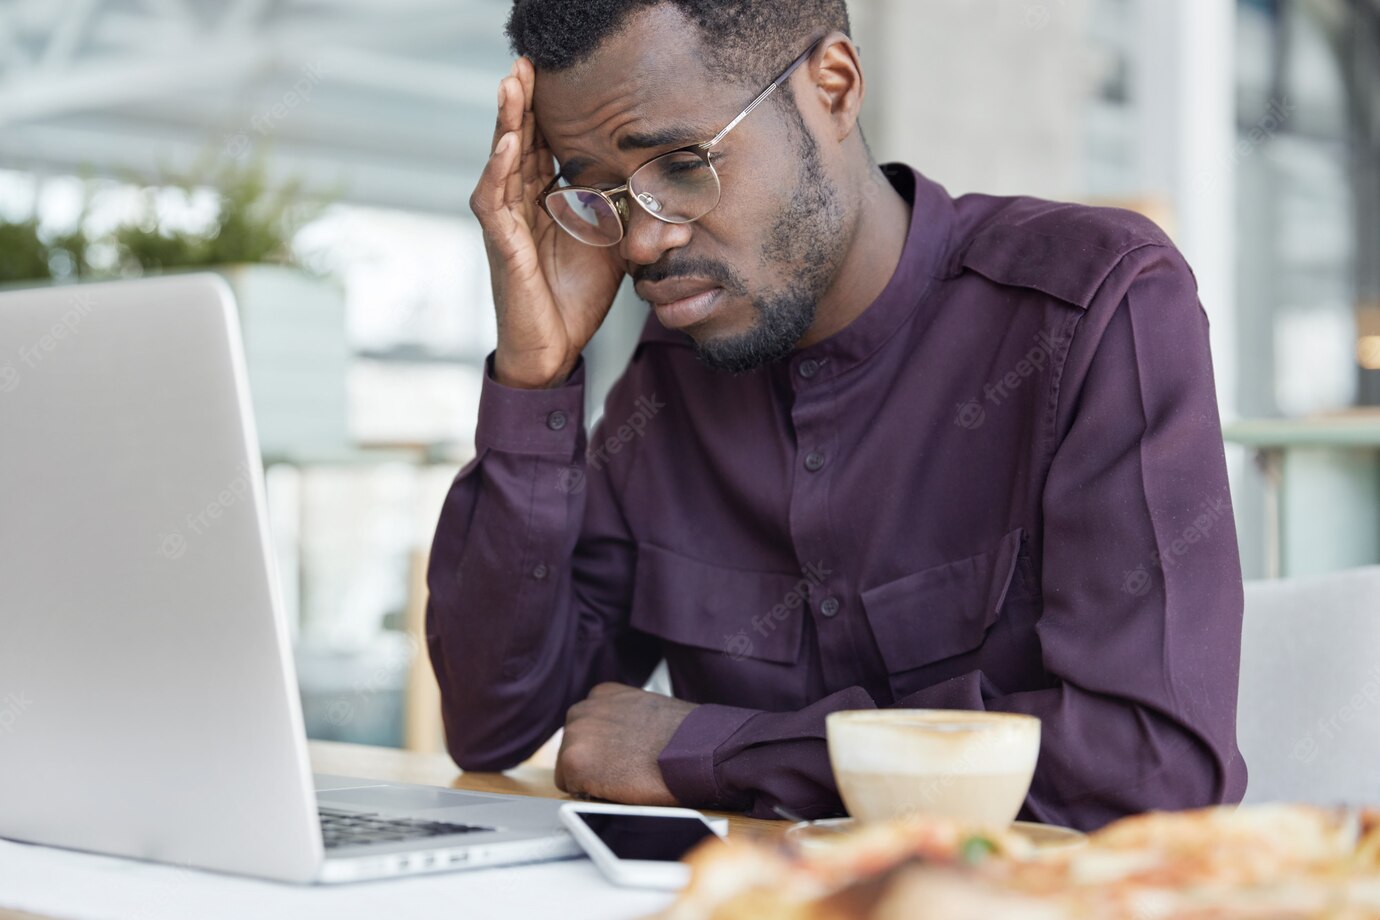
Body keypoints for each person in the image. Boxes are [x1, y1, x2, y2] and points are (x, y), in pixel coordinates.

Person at [425, 0, 1248, 831]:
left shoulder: (1094, 307)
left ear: (834, 87)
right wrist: (536, 378)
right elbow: (498, 721)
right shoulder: (674, 372)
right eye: (600, 194)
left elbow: (1152, 768)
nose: (639, 245)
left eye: (679, 165)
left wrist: (718, 750)